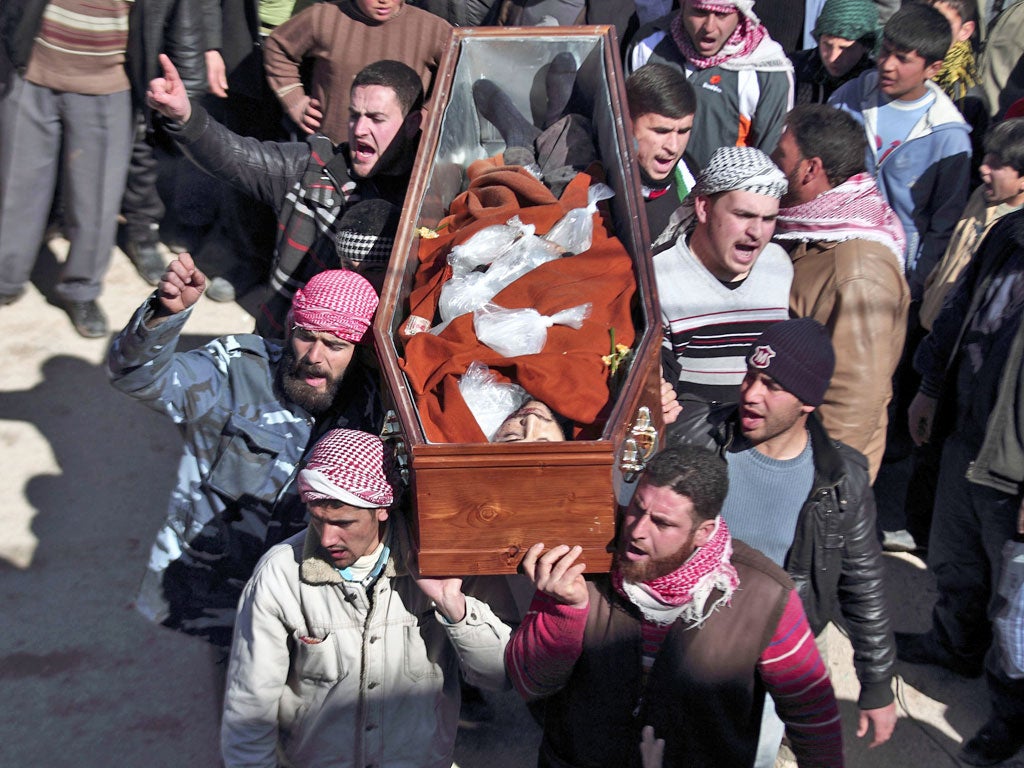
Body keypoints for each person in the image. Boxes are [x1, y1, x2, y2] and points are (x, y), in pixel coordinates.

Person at [505, 444, 844, 768]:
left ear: (703, 532)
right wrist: (566, 610)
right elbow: (529, 681)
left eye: (662, 523)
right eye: (637, 507)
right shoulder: (584, 565)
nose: (637, 530)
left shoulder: (764, 596)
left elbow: (812, 714)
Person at [108, 255, 383, 646]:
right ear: (290, 326)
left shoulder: (374, 405)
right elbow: (135, 377)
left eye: (335, 345)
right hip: (217, 588)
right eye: (306, 336)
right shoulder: (237, 368)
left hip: (311, 598)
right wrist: (162, 317)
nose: (314, 357)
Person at [673, 318, 897, 763]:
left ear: (807, 401)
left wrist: (876, 683)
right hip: (689, 637)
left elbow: (863, 583)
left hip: (776, 647)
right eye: (750, 376)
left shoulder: (839, 479)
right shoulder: (698, 433)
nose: (751, 394)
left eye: (772, 385)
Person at [220, 427, 512, 768]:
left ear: (382, 509)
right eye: (318, 520)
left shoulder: (446, 560)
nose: (328, 538)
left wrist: (455, 608)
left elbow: (501, 675)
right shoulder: (279, 575)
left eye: (344, 522)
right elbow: (249, 708)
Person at [146, 54, 423, 337]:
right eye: (354, 115)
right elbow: (237, 156)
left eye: (377, 118)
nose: (360, 130)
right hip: (286, 343)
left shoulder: (429, 198)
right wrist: (184, 116)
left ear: (412, 124)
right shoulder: (311, 167)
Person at [897, 207, 1024, 766]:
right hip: (966, 434)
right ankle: (953, 645)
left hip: (1015, 471)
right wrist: (928, 385)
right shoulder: (1009, 233)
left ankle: (1011, 716)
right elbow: (958, 316)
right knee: (953, 557)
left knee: (1016, 611)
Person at [771, 104, 909, 480]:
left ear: (810, 169)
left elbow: (853, 401)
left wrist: (817, 484)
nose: (771, 163)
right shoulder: (807, 231)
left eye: (780, 155)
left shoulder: (859, 271)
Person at [0, 0, 134, 337]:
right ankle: (6, 276)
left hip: (108, 83)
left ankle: (82, 289)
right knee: (16, 187)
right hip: (31, 70)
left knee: (96, 201)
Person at [828, 1, 971, 301]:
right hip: (831, 254)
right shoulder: (850, 97)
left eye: (902, 59)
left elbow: (942, 225)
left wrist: (914, 287)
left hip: (893, 277)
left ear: (933, 69)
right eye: (885, 51)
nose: (887, 64)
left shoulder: (947, 136)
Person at [654, 146, 793, 406]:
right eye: (743, 215)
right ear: (704, 208)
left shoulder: (778, 264)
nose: (756, 232)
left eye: (768, 219)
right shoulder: (659, 277)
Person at [627, 0, 794, 170]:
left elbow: (770, 168)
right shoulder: (648, 44)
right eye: (700, 12)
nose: (709, 27)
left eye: (721, 14)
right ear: (683, 5)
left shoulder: (768, 72)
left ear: (741, 12)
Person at [262, 0, 450, 142]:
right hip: (332, 151)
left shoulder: (433, 30)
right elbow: (278, 47)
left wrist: (430, 111)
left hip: (401, 162)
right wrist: (295, 101)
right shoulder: (325, 18)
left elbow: (462, 71)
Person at [119, 0, 207, 286]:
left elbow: (187, 28)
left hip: (144, 71)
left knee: (144, 154)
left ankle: (143, 232)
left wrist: (189, 96)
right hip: (90, 68)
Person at [624, 62, 698, 248]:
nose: (673, 147)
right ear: (627, 123)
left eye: (683, 132)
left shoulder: (694, 183)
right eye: (661, 131)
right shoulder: (594, 183)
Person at [792, 0, 879, 105]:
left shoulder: (876, 83)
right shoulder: (793, 68)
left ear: (865, 46)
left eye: (845, 48)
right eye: (827, 45)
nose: (833, 57)